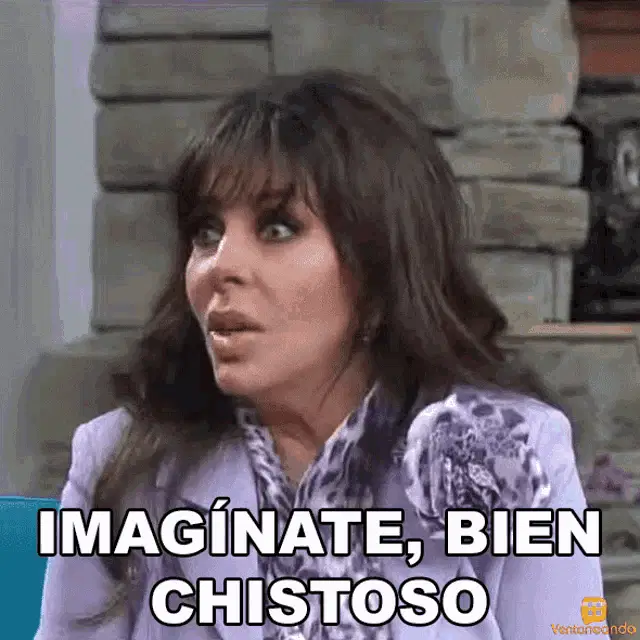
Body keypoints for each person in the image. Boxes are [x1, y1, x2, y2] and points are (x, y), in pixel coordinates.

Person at [36, 69, 606, 640]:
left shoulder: (510, 454)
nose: (220, 266)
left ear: (379, 272)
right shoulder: (121, 465)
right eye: (207, 232)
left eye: (277, 228)